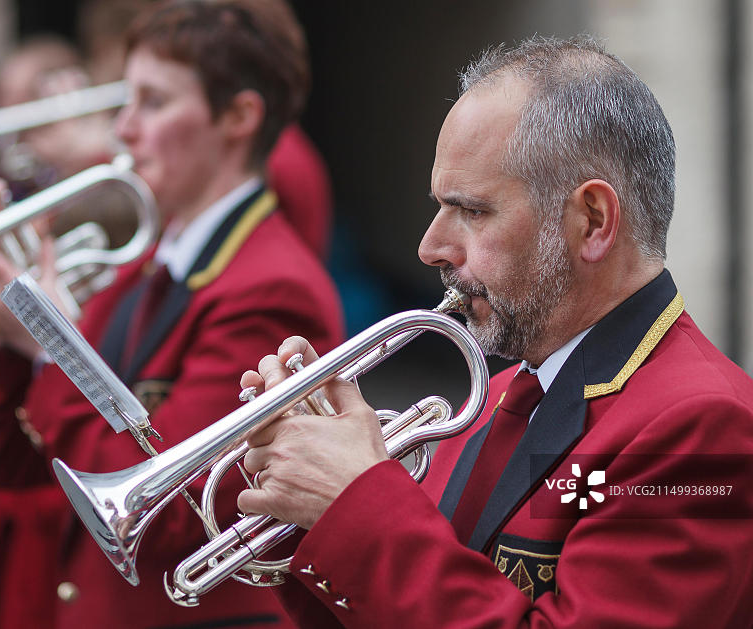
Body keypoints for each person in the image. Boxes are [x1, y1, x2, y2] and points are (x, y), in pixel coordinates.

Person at [235, 35, 753, 628]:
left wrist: (357, 502)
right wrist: (303, 506)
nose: (430, 248)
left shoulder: (702, 429)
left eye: (473, 210)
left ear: (592, 221)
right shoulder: (503, 396)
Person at [0, 2, 343, 629]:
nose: (123, 130)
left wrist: (49, 349)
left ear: (240, 116)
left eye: (153, 103)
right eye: (125, 102)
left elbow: (175, 511)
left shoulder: (271, 287)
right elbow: (15, 467)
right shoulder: (145, 263)